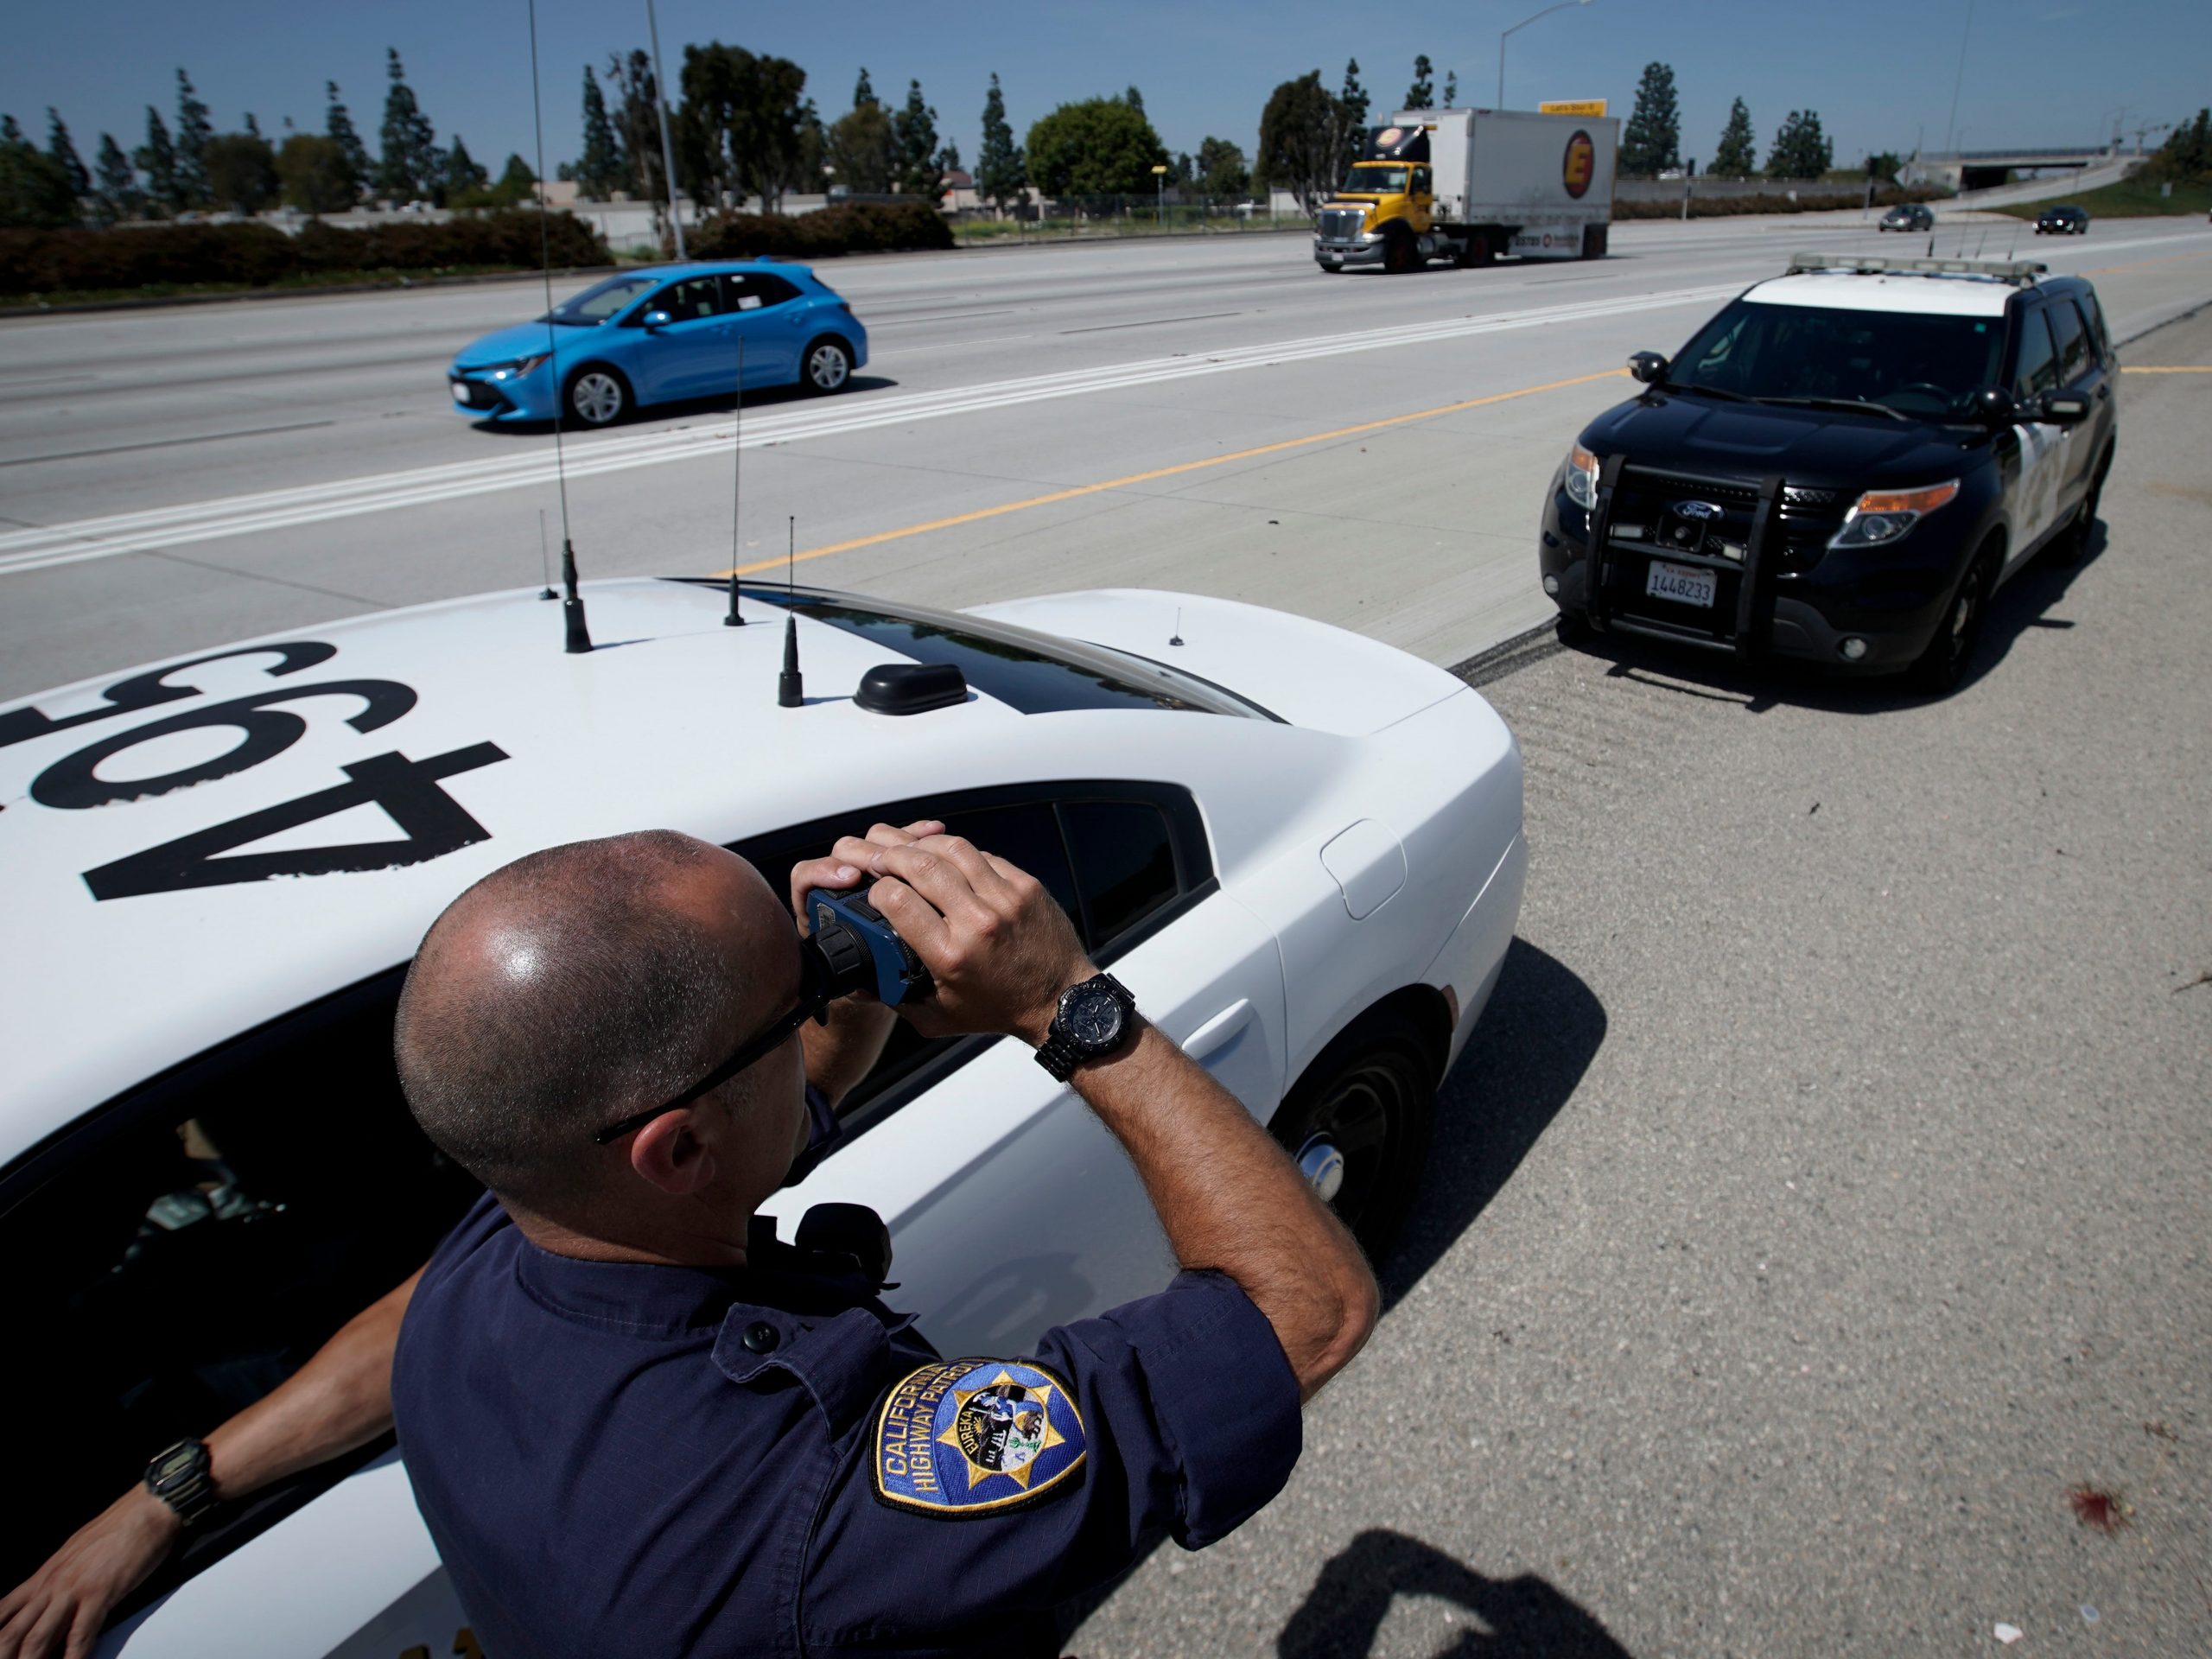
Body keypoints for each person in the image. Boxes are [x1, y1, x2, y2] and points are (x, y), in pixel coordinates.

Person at [1, 818, 1379, 1659]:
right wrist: (1072, 1004)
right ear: (676, 1151)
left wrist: (166, 1495)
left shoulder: (529, 1240)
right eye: (796, 998)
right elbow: (1302, 1312)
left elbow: (397, 1333)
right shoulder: (824, 1520)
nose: (817, 1008)